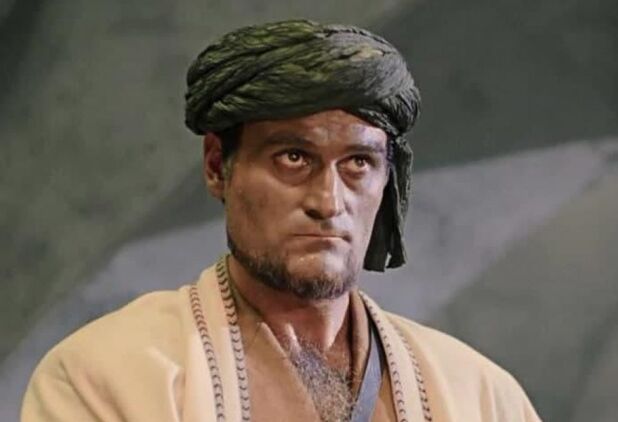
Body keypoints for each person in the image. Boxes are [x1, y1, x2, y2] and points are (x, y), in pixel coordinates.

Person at [21, 20, 541, 422]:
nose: (328, 201)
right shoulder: (108, 377)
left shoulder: (479, 396)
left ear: (388, 179)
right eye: (293, 158)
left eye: (358, 163)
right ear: (217, 166)